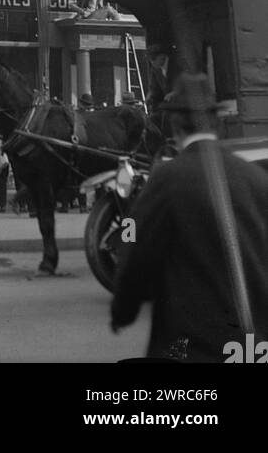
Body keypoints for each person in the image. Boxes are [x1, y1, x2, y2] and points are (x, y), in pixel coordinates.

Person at [111, 74, 268, 363]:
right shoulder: (257, 180)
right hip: (252, 348)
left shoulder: (167, 180)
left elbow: (135, 252)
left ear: (175, 125)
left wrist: (123, 311)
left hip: (190, 347)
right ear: (218, 124)